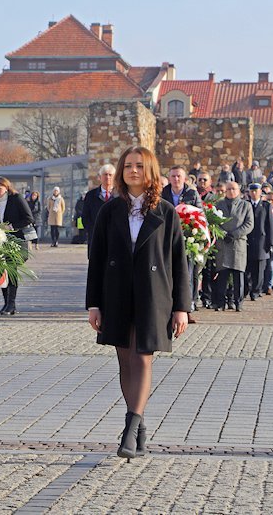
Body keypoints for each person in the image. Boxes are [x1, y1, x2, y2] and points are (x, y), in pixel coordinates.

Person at [86, 145, 190, 460]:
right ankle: (139, 424)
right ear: (121, 171)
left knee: (143, 358)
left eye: (139, 165)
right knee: (125, 361)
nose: (133, 170)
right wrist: (94, 304)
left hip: (153, 294)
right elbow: (97, 258)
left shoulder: (166, 212)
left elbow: (178, 262)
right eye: (128, 165)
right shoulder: (110, 210)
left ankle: (130, 428)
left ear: (150, 171)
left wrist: (181, 307)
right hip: (116, 293)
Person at [162, 166, 202, 321]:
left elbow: (200, 213)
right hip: (167, 238)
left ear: (184, 178)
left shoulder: (192, 193)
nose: (176, 179)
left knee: (188, 272)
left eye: (179, 176)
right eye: (173, 176)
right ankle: (170, 306)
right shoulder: (163, 193)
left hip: (187, 238)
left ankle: (188, 306)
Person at [0, 177, 33, 316]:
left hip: (16, 240)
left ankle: (12, 303)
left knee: (11, 270)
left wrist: (11, 226)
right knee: (0, 272)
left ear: (6, 188)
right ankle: (6, 303)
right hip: (0, 241)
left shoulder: (16, 198)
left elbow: (28, 218)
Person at [245, 183, 273, 301]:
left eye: (255, 191)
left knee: (259, 270)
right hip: (247, 241)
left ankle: (256, 291)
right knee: (247, 269)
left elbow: (270, 226)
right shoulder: (246, 204)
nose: (253, 193)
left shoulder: (266, 206)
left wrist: (270, 243)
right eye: (251, 191)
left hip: (261, 242)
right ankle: (247, 289)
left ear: (260, 192)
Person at [82, 164, 116, 254]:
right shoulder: (91, 195)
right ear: (99, 177)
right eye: (105, 174)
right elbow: (85, 217)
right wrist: (94, 230)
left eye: (110, 175)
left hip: (116, 240)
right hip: (96, 239)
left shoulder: (120, 195)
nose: (107, 177)